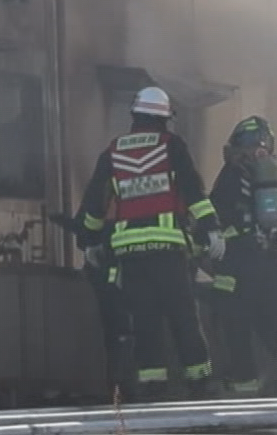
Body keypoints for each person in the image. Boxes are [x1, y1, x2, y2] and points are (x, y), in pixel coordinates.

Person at [78, 86, 223, 401]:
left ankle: (153, 385)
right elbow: (193, 190)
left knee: (145, 320)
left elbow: (94, 201)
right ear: (165, 118)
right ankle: (199, 383)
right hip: (168, 250)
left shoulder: (113, 151)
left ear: (134, 115)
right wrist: (211, 228)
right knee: (183, 315)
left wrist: (88, 240)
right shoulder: (171, 146)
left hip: (130, 253)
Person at [209, 115, 277, 397]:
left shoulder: (232, 172)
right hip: (274, 260)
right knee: (273, 318)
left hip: (239, 261)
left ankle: (244, 384)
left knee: (234, 321)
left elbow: (214, 208)